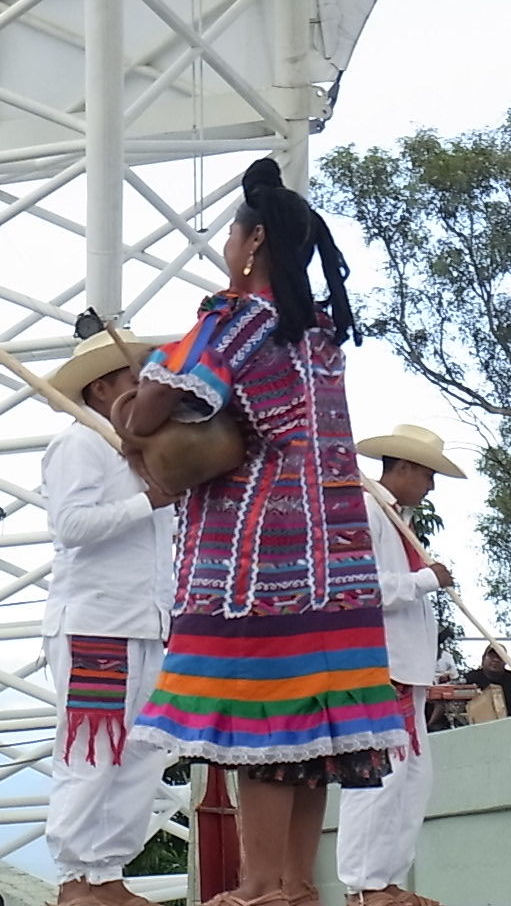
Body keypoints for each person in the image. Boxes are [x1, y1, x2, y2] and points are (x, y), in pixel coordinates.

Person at [123, 158, 407, 906]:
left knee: (262, 725)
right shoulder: (320, 334)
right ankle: (294, 884)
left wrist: (139, 393)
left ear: (252, 244)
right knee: (313, 730)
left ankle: (257, 886)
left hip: (256, 561)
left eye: (231, 233)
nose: (226, 244)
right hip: (336, 562)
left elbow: (150, 411)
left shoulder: (237, 321)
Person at [41, 330, 177, 906]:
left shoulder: (143, 452)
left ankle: (107, 872)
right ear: (101, 388)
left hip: (149, 623)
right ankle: (75, 877)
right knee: (93, 749)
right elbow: (70, 526)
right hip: (97, 621)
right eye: (133, 379)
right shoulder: (79, 443)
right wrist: (148, 500)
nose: (146, 389)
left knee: (143, 751)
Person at [336, 425, 464, 906]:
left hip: (407, 669)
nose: (430, 486)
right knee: (378, 776)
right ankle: (362, 884)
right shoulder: (366, 510)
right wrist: (424, 580)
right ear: (405, 467)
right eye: (427, 475)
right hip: (380, 665)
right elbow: (356, 587)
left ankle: (386, 879)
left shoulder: (395, 518)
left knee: (412, 779)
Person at [463, 644, 511, 718]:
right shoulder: (470, 678)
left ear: (506, 661)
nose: (496, 659)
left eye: (500, 657)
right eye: (492, 656)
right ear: (483, 658)